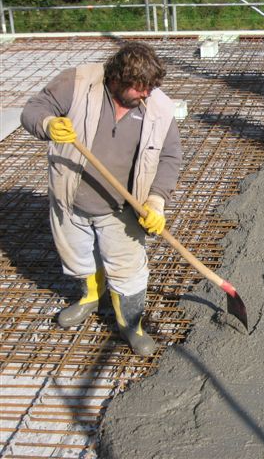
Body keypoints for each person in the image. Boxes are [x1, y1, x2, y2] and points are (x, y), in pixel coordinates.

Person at [21, 42, 182, 357]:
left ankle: (131, 325)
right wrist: (48, 124)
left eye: (150, 88)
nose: (146, 95)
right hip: (72, 199)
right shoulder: (79, 83)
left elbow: (170, 155)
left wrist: (156, 201)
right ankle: (90, 297)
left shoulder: (158, 107)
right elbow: (33, 109)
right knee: (78, 256)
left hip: (123, 208)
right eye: (139, 89)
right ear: (117, 79)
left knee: (128, 268)